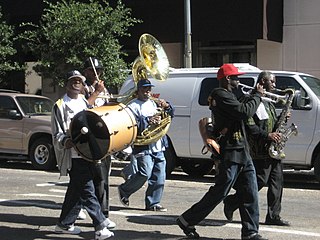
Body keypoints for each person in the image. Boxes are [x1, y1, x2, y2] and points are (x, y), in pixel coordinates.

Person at [176, 64, 268, 240]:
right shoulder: (220, 95)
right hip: (230, 151)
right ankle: (187, 220)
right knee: (220, 191)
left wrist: (251, 98)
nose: (239, 81)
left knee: (250, 192)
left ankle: (250, 232)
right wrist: (257, 96)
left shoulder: (231, 95)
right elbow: (243, 112)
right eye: (236, 78)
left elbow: (243, 112)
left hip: (242, 150)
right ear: (228, 79)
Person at [51, 70, 114, 239]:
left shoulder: (85, 102)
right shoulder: (60, 105)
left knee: (77, 190)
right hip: (74, 155)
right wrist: (66, 141)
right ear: (67, 84)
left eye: (79, 80)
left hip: (89, 152)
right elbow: (57, 133)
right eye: (73, 80)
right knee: (88, 189)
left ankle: (64, 224)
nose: (77, 83)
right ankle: (100, 226)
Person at [223, 71, 290, 226]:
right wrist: (267, 136)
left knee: (277, 183)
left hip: (273, 149)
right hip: (259, 150)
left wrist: (282, 118)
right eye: (272, 82)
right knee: (259, 181)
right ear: (262, 82)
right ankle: (232, 201)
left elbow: (271, 125)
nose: (274, 85)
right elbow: (249, 125)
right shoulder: (250, 99)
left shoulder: (268, 101)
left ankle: (273, 216)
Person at [117, 78, 174, 211]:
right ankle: (124, 190)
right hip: (143, 145)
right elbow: (131, 124)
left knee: (160, 176)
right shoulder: (132, 106)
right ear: (138, 90)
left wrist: (168, 107)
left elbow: (168, 116)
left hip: (158, 144)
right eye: (144, 89)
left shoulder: (154, 103)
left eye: (149, 89)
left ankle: (153, 203)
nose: (147, 91)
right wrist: (148, 120)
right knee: (144, 173)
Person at [78, 57, 116, 229]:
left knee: (102, 176)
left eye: (98, 71)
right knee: (88, 178)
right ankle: (81, 208)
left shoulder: (103, 88)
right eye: (93, 71)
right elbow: (82, 110)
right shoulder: (82, 89)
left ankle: (103, 213)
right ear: (86, 72)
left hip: (102, 137)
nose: (96, 74)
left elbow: (106, 108)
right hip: (87, 137)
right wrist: (96, 93)